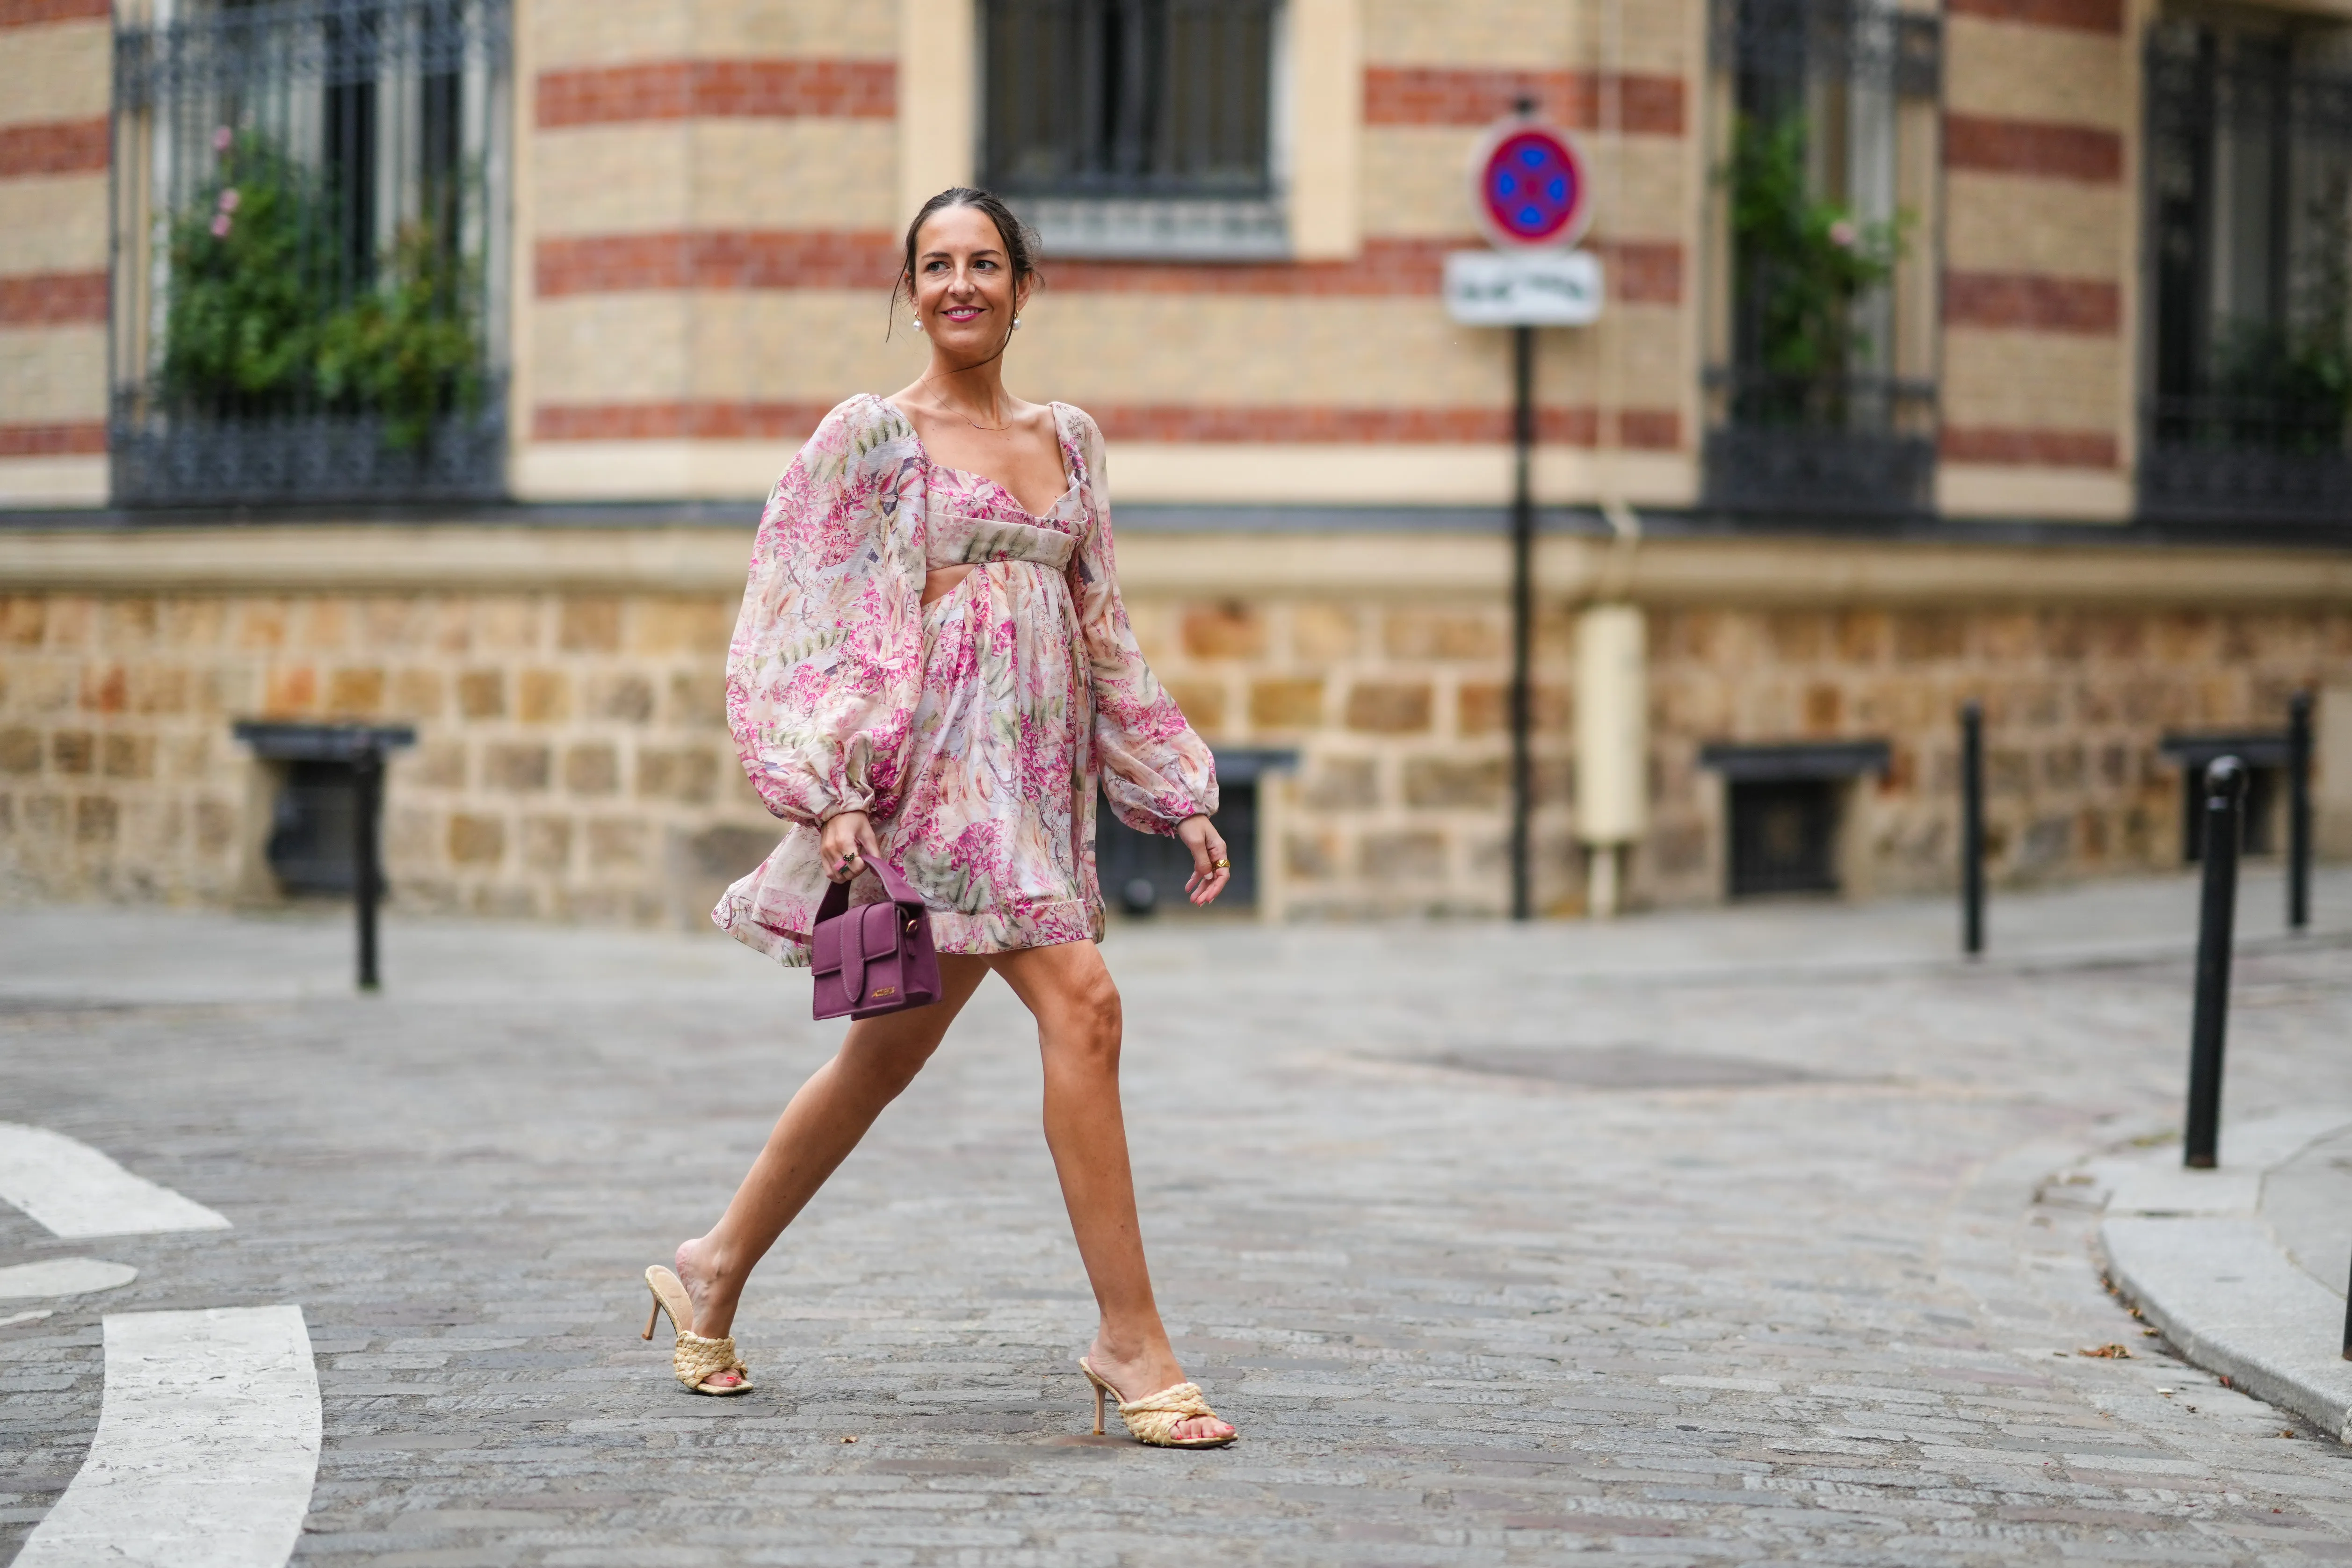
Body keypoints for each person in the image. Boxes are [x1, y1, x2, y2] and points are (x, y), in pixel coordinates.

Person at [637, 188, 1238, 1449]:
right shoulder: (872, 436)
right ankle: (1131, 1340)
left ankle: (713, 1263)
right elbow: (804, 612)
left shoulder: (1072, 441)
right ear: (908, 293)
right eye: (935, 265)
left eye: (984, 263)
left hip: (1033, 787)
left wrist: (1173, 787)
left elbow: (1102, 624)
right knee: (1087, 1005)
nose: (960, 284)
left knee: (883, 1057)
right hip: (931, 789)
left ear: (1023, 284)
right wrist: (834, 790)